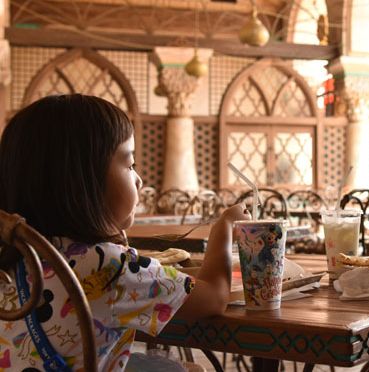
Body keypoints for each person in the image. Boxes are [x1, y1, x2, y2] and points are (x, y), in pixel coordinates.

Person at [0, 94, 250, 371]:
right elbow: (213, 298)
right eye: (130, 166)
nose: (139, 180)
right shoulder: (109, 266)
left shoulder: (12, 256)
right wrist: (224, 228)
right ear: (84, 181)